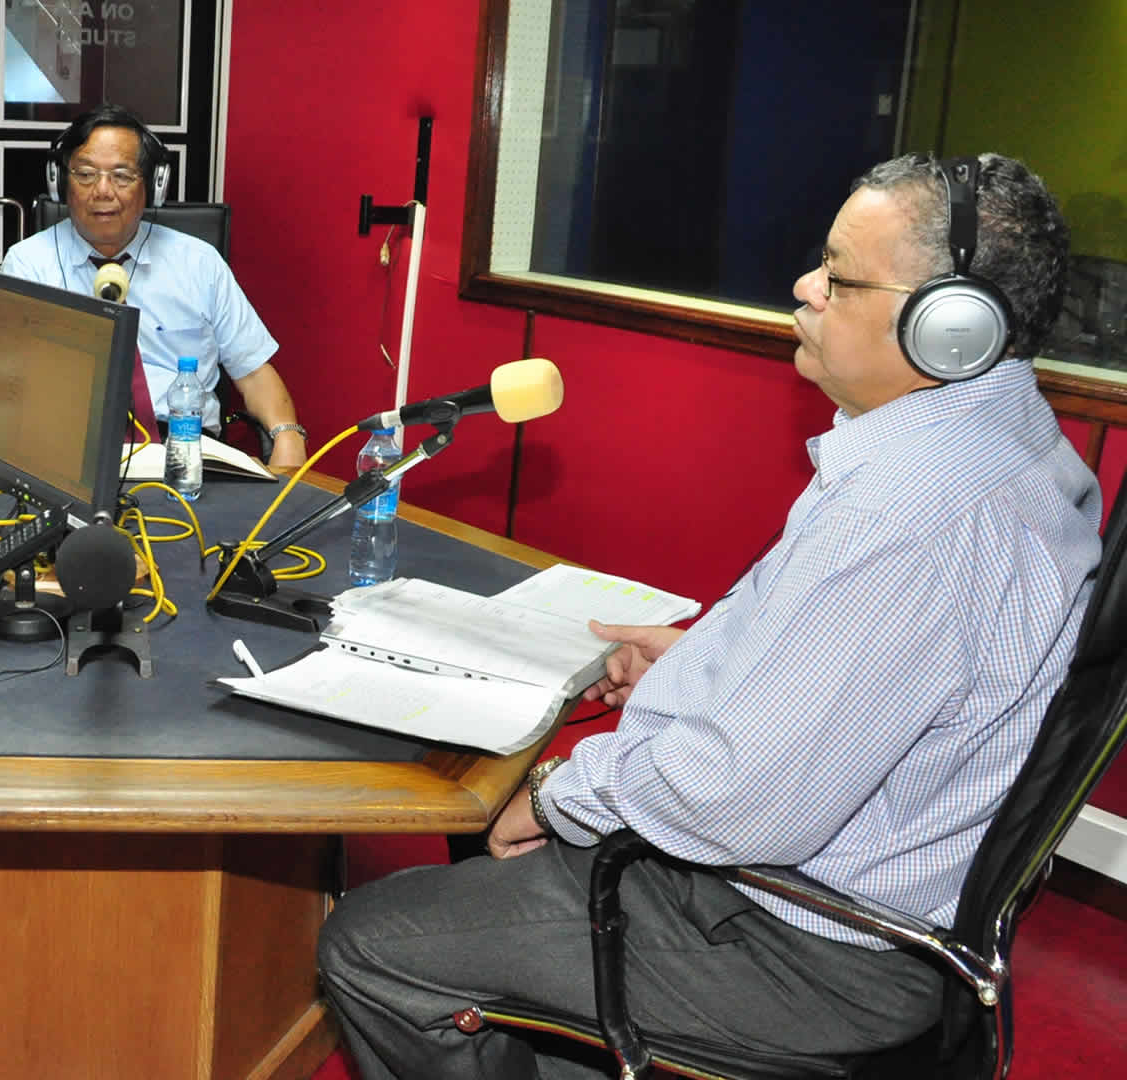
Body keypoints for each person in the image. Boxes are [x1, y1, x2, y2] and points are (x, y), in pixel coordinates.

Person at [317, 152, 1100, 1077]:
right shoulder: (1013, 443)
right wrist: (702, 662)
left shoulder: (906, 516)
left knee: (372, 943)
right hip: (857, 899)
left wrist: (558, 795)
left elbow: (732, 801)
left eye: (840, 276)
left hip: (802, 947)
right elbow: (879, 672)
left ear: (952, 329)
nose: (805, 287)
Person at [0, 104, 309, 468]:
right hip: (71, 451)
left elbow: (254, 372)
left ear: (153, 185)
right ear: (60, 182)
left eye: (121, 176)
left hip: (187, 451)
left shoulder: (199, 263)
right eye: (85, 174)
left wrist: (288, 434)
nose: (102, 190)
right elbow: (9, 387)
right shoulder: (28, 264)